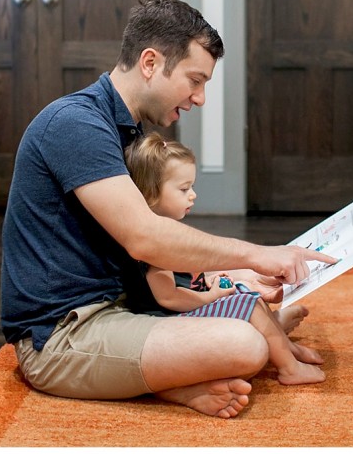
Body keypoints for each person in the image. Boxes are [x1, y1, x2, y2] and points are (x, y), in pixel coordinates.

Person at [0, 0, 337, 419]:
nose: (200, 98)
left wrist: (235, 275)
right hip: (63, 335)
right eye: (195, 80)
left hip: (121, 306)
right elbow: (145, 237)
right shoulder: (75, 124)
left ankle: (174, 378)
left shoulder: (125, 129)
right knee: (246, 345)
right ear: (150, 62)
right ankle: (172, 383)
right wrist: (258, 253)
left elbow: (151, 259)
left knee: (246, 310)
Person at [124, 132, 325, 385]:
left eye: (192, 187)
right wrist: (213, 295)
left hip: (187, 305)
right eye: (184, 189)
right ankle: (289, 368)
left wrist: (217, 281)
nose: (193, 195)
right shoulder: (158, 243)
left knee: (249, 297)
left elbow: (188, 276)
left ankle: (286, 349)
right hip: (168, 320)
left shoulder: (169, 232)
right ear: (151, 194)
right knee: (247, 304)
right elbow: (169, 297)